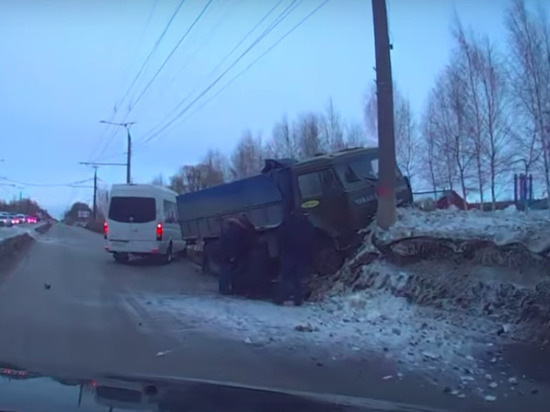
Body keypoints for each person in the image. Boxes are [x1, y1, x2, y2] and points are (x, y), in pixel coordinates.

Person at [274, 207, 316, 306]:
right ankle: (298, 299)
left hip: (288, 253)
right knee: (298, 277)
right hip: (301, 254)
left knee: (285, 277)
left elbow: (280, 238)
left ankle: (281, 298)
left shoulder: (286, 223)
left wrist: (281, 251)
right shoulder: (306, 223)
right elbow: (311, 238)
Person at [216, 215, 256, 295]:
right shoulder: (235, 230)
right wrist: (233, 255)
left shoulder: (227, 229)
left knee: (225, 271)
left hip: (224, 254)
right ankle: (228, 289)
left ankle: (225, 289)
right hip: (228, 254)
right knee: (228, 272)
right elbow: (234, 244)